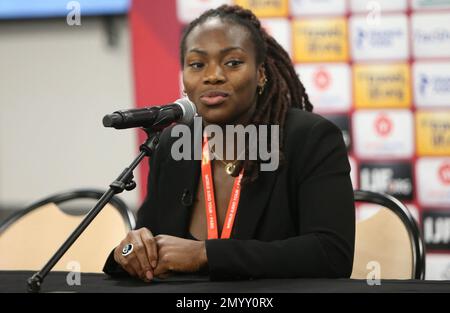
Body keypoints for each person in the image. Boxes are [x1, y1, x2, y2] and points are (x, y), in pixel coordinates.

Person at [103, 5, 355, 281]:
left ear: (261, 74)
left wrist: (205, 254)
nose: (213, 75)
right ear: (185, 80)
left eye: (232, 62)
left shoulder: (310, 139)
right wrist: (128, 251)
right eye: (197, 64)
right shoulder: (171, 146)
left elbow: (331, 254)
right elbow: (146, 246)